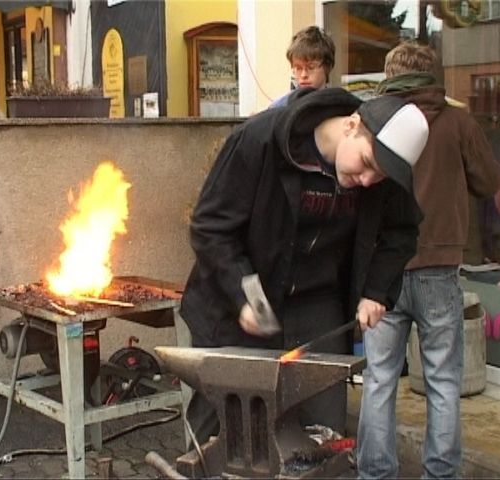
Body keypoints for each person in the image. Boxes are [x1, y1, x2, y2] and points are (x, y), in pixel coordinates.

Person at [179, 86, 430, 446]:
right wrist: (245, 292)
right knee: (226, 433)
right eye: (367, 164)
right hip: (243, 299)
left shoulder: (382, 173)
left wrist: (376, 291)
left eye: (380, 177)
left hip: (319, 308)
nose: (368, 181)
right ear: (352, 125)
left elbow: (402, 231)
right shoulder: (259, 140)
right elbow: (209, 227)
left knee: (318, 439)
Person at [357, 41, 500, 479]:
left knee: (380, 379)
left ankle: (375, 473)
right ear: (433, 76)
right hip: (439, 268)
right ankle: (440, 474)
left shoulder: (370, 122)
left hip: (381, 274)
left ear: (389, 74)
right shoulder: (457, 121)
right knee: (442, 382)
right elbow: (490, 180)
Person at [269, 26, 335, 108]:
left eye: (311, 68)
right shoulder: (280, 107)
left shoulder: (339, 105)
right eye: (298, 68)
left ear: (327, 67)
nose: (303, 75)